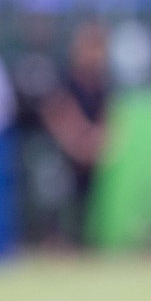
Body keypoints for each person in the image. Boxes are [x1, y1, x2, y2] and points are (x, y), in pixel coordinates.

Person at [39, 21, 113, 246]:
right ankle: (54, 239)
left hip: (89, 150)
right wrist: (75, 141)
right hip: (61, 150)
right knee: (59, 194)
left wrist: (97, 140)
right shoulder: (65, 76)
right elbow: (56, 111)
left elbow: (108, 116)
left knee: (87, 199)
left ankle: (82, 241)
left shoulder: (104, 82)